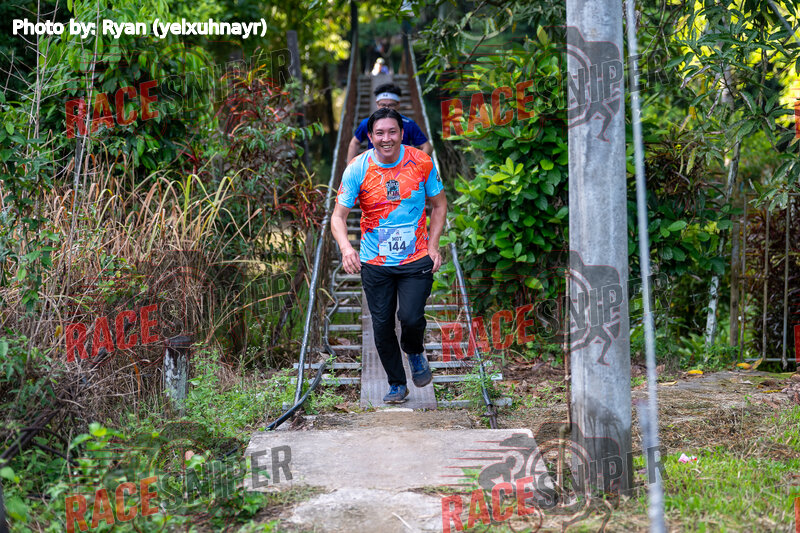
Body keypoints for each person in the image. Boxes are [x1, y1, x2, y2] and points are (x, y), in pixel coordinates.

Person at [331, 108, 447, 404]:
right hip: (375, 263)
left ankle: (415, 351)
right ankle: (397, 384)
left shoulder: (421, 162)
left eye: (392, 132)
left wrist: (433, 245)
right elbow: (338, 217)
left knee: (410, 318)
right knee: (382, 326)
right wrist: (346, 248)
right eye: (380, 133)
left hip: (416, 259)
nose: (386, 138)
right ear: (370, 137)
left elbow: (439, 205)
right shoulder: (357, 168)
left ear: (402, 134)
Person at [346, 83, 433, 162]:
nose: (386, 108)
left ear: (398, 104)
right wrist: (349, 167)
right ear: (377, 104)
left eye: (391, 105)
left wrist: (416, 165)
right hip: (374, 168)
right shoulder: (367, 123)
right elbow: (355, 142)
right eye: (383, 105)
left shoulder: (408, 124)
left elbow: (427, 146)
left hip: (402, 167)